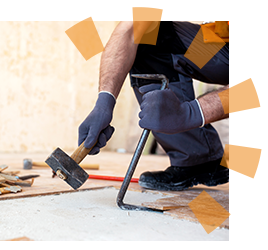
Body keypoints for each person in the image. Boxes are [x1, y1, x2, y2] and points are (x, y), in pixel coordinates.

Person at [78, 21, 229, 191]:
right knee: (147, 36)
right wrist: (104, 101)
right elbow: (130, 28)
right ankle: (198, 159)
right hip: (221, 46)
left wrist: (190, 113)